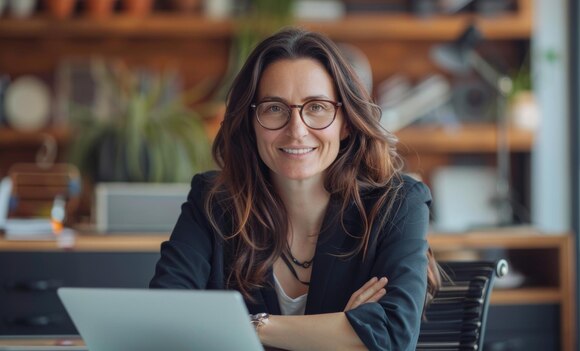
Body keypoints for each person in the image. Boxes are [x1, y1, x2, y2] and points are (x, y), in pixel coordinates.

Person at [150, 27, 438, 351]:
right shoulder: (213, 202)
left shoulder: (398, 205)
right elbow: (167, 318)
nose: (297, 131)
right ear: (251, 122)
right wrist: (342, 331)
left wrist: (253, 327)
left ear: (345, 122)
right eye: (274, 108)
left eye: (316, 107)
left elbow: (393, 336)